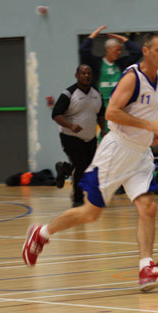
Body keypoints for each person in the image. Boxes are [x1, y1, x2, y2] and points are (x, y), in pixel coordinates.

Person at [23, 33, 158, 292]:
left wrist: (149, 134)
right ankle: (41, 233)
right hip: (116, 152)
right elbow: (111, 113)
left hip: (140, 154)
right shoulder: (133, 77)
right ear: (146, 51)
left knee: (148, 208)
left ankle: (146, 268)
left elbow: (142, 115)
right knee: (90, 213)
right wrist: (147, 125)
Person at [51, 64, 105, 207]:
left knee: (86, 166)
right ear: (77, 75)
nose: (86, 76)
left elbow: (100, 114)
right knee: (81, 166)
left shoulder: (96, 93)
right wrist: (70, 125)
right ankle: (78, 198)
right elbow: (56, 114)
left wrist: (104, 131)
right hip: (70, 136)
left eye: (89, 73)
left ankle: (64, 169)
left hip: (90, 137)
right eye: (83, 73)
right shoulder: (68, 94)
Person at [79, 25, 143, 136]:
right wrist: (94, 35)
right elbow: (83, 50)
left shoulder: (121, 64)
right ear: (108, 49)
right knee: (100, 134)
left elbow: (137, 52)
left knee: (118, 135)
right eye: (117, 50)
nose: (119, 52)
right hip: (99, 105)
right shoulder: (96, 63)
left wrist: (123, 39)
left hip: (117, 105)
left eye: (120, 50)